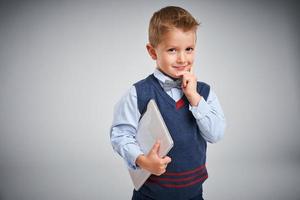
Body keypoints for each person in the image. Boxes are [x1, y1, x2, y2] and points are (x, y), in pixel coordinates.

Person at [110, 6, 225, 200]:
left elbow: (215, 134)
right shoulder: (138, 93)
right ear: (152, 51)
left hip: (193, 193)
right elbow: (120, 135)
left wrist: (194, 98)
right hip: (151, 194)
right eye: (172, 50)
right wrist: (142, 160)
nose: (182, 59)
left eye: (189, 49)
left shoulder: (204, 92)